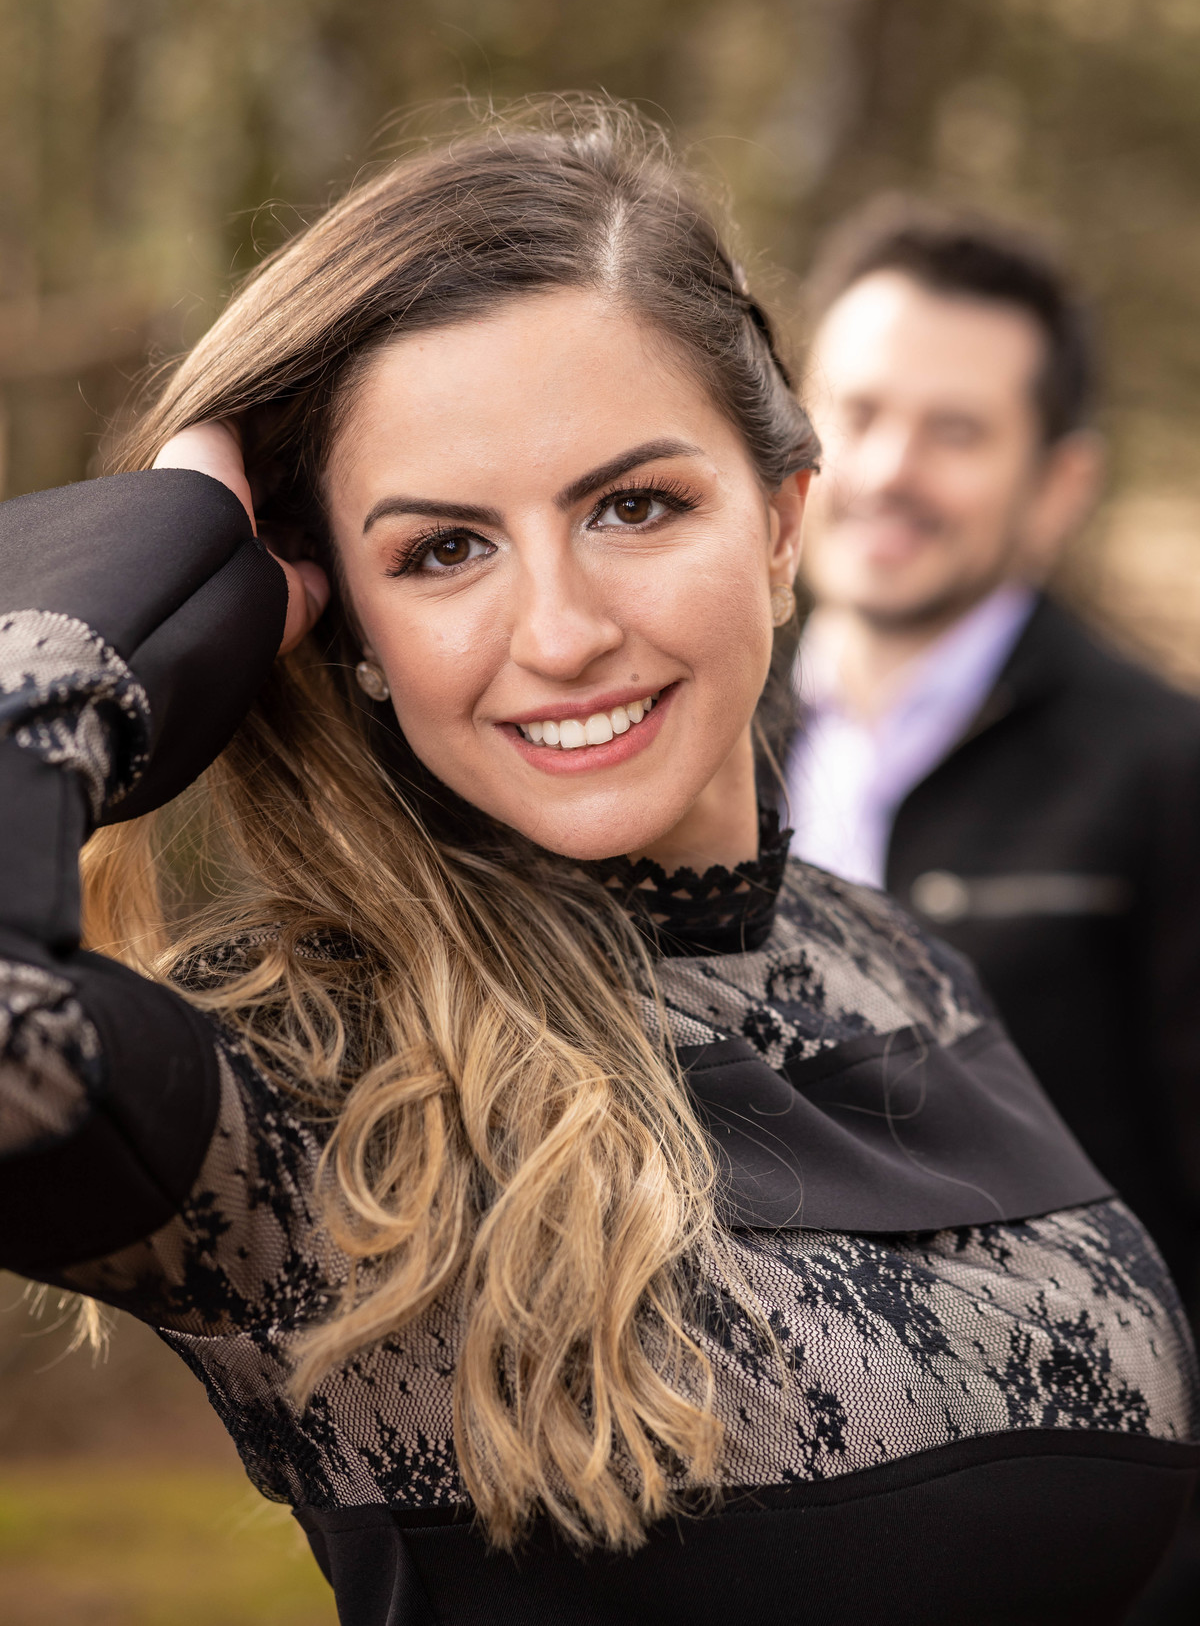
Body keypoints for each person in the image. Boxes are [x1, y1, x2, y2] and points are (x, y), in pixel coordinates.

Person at [0, 108, 1195, 1626]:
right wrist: (126, 585)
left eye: (634, 506)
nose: (561, 633)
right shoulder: (305, 1085)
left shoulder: (901, 966)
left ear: (783, 524)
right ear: (340, 621)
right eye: (442, 550)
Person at [788, 200, 1200, 1339]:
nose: (887, 468)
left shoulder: (1168, 775)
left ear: (1059, 487)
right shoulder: (680, 738)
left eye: (957, 432)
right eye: (858, 412)